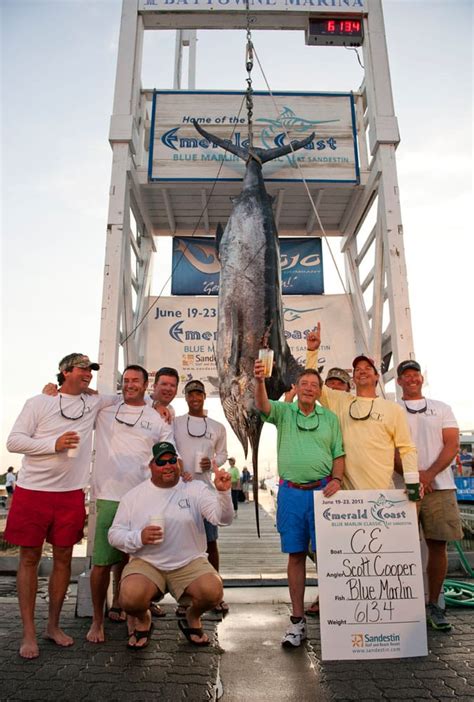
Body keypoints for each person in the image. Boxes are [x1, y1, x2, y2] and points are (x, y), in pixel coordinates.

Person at [5, 353, 118, 659]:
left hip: (71, 494)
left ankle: (52, 626)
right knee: (28, 559)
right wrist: (52, 444)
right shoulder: (39, 402)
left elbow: (129, 398)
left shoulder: (93, 403)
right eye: (83, 369)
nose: (89, 374)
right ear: (65, 372)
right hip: (33, 491)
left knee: (64, 560)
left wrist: (161, 411)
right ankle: (29, 632)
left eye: (91, 370)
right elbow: (14, 442)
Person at [254, 360, 345, 648]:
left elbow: (338, 453)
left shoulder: (329, 418)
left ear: (320, 392)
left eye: (313, 385)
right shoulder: (284, 412)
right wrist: (259, 381)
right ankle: (297, 621)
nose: (308, 388)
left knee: (328, 556)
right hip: (292, 493)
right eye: (303, 384)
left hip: (323, 493)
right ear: (297, 388)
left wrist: (338, 479)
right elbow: (263, 406)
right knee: (295, 556)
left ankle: (338, 619)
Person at [108, 441, 233, 648]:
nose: (168, 465)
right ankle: (144, 619)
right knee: (128, 597)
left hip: (189, 562)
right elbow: (114, 534)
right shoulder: (133, 496)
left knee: (214, 590)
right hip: (148, 562)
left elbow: (222, 519)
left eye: (172, 460)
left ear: (179, 463)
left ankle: (192, 616)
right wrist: (139, 537)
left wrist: (223, 494)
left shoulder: (195, 488)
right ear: (151, 466)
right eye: (161, 461)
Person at [86, 365, 176, 644]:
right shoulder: (104, 409)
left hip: (141, 497)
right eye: (126, 380)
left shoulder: (158, 418)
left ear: (146, 384)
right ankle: (96, 621)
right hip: (108, 495)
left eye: (136, 380)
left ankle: (134, 615)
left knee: (135, 560)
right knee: (101, 562)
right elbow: (77, 399)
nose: (130, 384)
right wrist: (53, 391)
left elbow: (170, 455)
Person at [305, 324, 418, 490]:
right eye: (357, 369)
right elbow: (313, 383)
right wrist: (312, 351)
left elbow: (407, 449)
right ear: (354, 378)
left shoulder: (394, 410)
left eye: (367, 368)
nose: (362, 371)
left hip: (383, 497)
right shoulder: (341, 401)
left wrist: (413, 484)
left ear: (376, 376)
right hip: (349, 499)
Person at [396, 359, 463, 632]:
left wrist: (428, 475)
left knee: (438, 546)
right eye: (406, 375)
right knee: (399, 547)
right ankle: (403, 606)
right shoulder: (392, 409)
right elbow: (387, 448)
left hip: (441, 486)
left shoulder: (442, 408)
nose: (412, 378)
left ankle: (434, 604)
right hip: (401, 487)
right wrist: (414, 477)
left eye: (415, 374)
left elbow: (452, 444)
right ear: (398, 381)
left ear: (421, 378)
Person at [173, 379, 229, 614]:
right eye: (190, 395)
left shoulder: (217, 426)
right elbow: (168, 446)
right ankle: (184, 598)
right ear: (185, 397)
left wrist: (212, 462)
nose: (194, 398)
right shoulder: (175, 423)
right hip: (178, 490)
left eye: (198, 394)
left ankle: (216, 594)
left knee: (211, 542)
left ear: (205, 396)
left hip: (205, 490)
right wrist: (177, 467)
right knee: (181, 543)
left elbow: (224, 454)